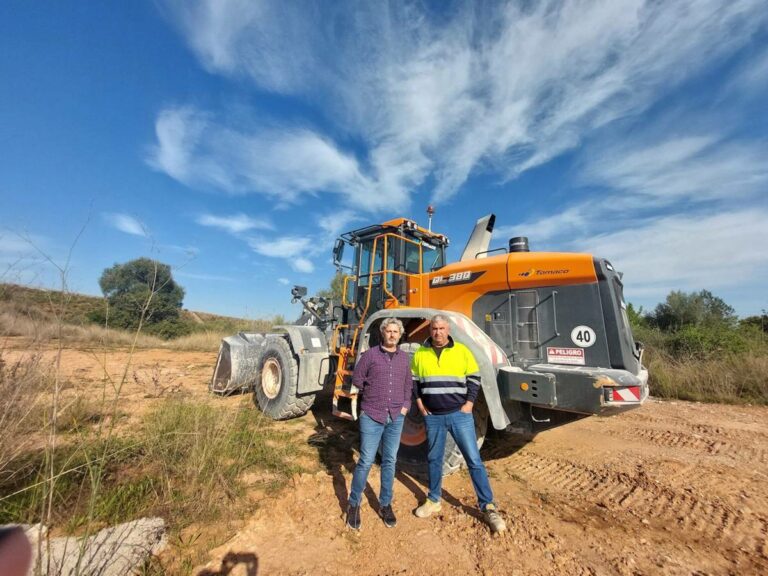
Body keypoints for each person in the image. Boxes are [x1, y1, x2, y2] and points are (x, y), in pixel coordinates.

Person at [411, 314, 507, 533]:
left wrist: (469, 404)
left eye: (442, 328)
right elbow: (414, 381)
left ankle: (488, 506)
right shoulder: (420, 353)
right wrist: (419, 404)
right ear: (430, 330)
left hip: (459, 415)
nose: (438, 332)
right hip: (433, 416)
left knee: (474, 460)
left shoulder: (462, 351)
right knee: (434, 459)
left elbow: (474, 378)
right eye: (434, 328)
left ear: (448, 330)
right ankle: (434, 500)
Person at [346, 317, 413, 530]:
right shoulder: (370, 356)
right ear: (383, 333)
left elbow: (407, 384)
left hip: (396, 417)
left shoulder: (404, 358)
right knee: (365, 460)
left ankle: (385, 504)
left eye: (396, 331)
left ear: (400, 335)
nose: (392, 334)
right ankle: (353, 504)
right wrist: (369, 402)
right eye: (389, 331)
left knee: (390, 461)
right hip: (372, 415)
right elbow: (357, 380)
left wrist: (405, 405)